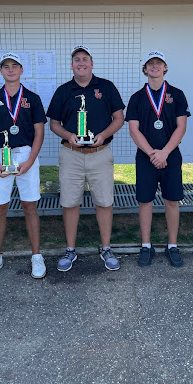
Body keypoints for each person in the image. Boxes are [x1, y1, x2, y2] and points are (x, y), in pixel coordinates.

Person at [47, 45, 125, 272]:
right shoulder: (63, 91)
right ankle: (70, 250)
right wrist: (69, 136)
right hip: (71, 155)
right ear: (71, 66)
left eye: (85, 59)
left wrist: (104, 135)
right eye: (77, 60)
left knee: (104, 202)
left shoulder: (106, 87)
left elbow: (119, 118)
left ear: (92, 64)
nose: (81, 63)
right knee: (70, 203)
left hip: (100, 154)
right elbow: (54, 123)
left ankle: (106, 248)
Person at [0, 52, 47, 281]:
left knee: (30, 206)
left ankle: (36, 255)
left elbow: (40, 132)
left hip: (26, 154)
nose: (10, 70)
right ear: (1, 71)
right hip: (1, 156)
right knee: (0, 207)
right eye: (6, 66)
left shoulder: (33, 98)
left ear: (21, 70)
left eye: (15, 66)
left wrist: (30, 160)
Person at [126, 51, 190, 267]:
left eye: (158, 63)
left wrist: (164, 152)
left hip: (171, 156)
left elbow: (181, 127)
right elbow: (133, 130)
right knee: (145, 201)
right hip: (146, 158)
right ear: (144, 69)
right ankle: (146, 245)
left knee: (172, 201)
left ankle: (172, 245)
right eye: (150, 64)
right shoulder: (136, 98)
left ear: (165, 68)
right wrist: (153, 153)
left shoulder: (177, 94)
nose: (154, 66)